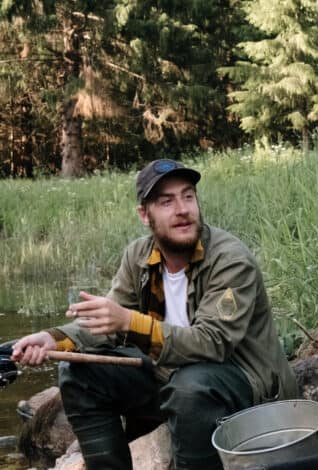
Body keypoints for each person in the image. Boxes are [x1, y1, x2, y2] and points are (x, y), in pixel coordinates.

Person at [12, 159, 298, 469]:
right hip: (176, 378)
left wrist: (130, 322)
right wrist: (53, 339)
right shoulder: (139, 256)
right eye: (166, 201)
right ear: (144, 215)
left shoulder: (229, 260)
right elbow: (107, 323)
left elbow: (213, 344)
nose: (182, 209)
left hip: (244, 383)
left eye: (188, 196)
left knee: (190, 387)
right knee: (78, 374)